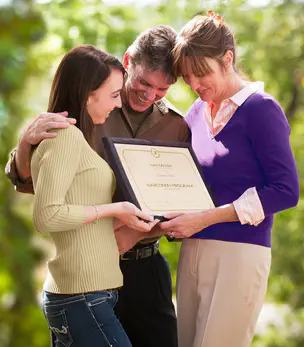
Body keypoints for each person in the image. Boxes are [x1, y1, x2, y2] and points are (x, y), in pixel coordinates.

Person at [5, 26, 190, 347]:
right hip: (85, 270)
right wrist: (25, 143)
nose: (149, 95)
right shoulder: (89, 108)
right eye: (144, 83)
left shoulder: (177, 125)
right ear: (129, 61)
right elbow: (31, 182)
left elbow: (181, 198)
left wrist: (138, 232)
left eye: (162, 90)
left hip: (144, 269)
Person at [159, 11, 300, 347]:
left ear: (228, 59)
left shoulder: (261, 109)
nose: (194, 85)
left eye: (201, 73)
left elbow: (285, 192)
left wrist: (207, 218)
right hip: (193, 249)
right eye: (187, 77)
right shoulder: (194, 114)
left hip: (240, 253)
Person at [28, 44, 157, 347]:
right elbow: (46, 215)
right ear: (88, 93)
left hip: (87, 294)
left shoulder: (75, 137)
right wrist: (114, 209)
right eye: (113, 95)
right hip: (80, 297)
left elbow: (75, 212)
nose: (117, 104)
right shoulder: (65, 137)